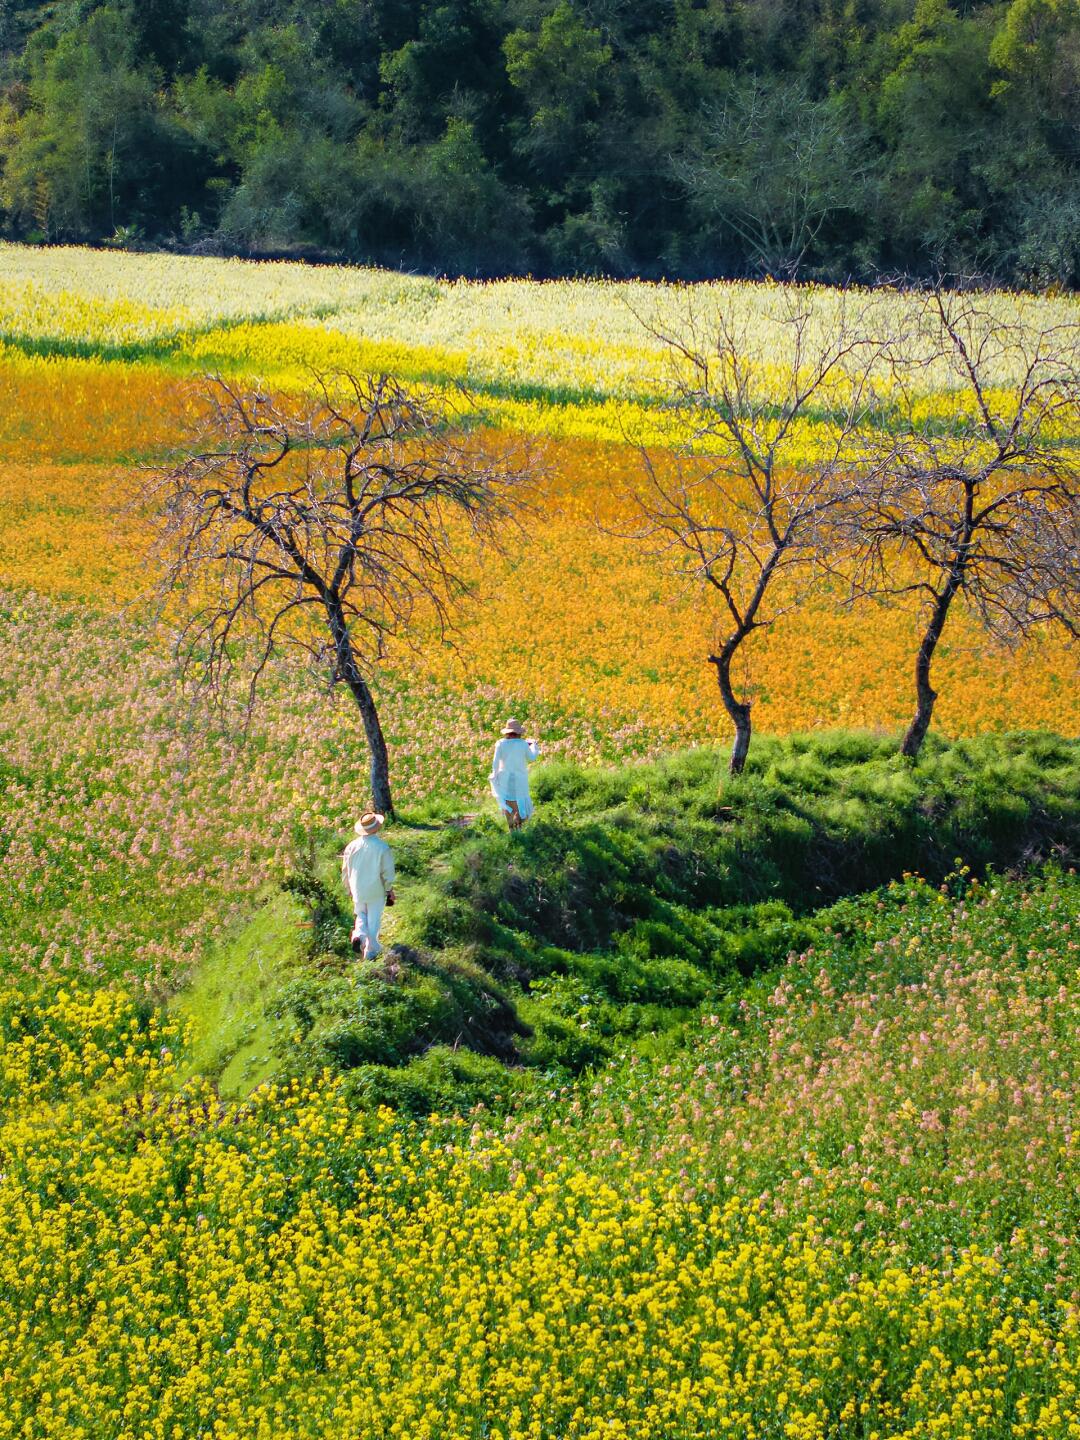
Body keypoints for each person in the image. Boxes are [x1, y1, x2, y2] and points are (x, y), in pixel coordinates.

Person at [341, 811, 395, 958]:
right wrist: (389, 889)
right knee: (373, 921)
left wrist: (348, 887)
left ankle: (359, 936)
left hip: (357, 889)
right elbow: (387, 872)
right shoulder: (382, 848)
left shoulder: (351, 847)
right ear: (377, 827)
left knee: (361, 915)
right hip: (375, 890)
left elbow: (345, 870)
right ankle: (371, 952)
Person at [489, 718, 541, 830]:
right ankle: (520, 826)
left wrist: (494, 774)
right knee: (521, 802)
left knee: (507, 802)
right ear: (518, 732)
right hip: (520, 778)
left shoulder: (500, 744)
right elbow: (531, 758)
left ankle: (511, 828)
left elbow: (495, 761)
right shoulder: (523, 744)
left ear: (507, 732)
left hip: (504, 778)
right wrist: (534, 747)